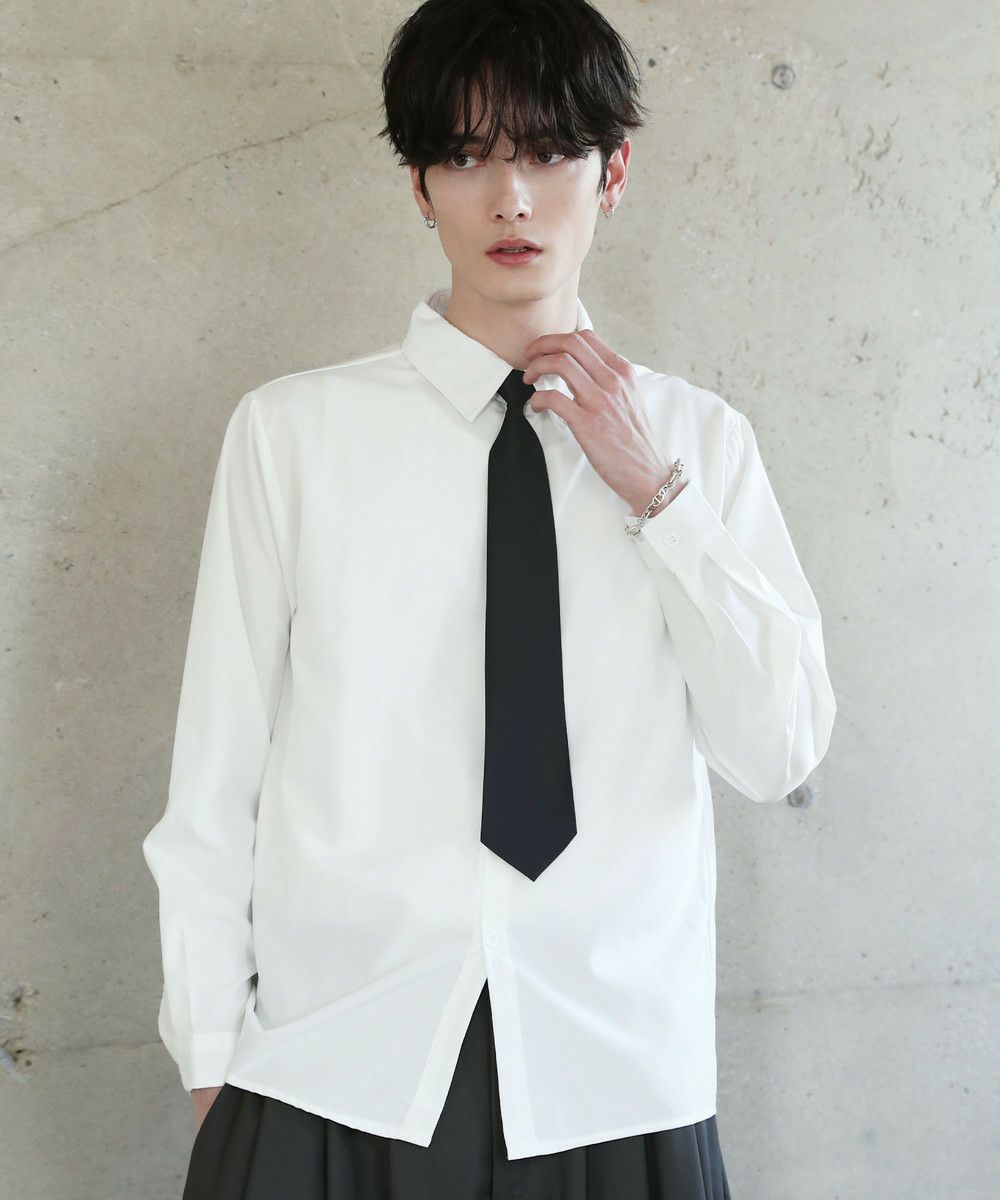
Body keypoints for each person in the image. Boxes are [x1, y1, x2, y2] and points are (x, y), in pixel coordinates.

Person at [141, 0, 837, 1196]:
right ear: (420, 186)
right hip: (334, 1070)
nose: (511, 198)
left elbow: (775, 750)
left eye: (550, 151)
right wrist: (214, 1064)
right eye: (467, 157)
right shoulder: (294, 435)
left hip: (615, 1077)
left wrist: (658, 496)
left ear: (613, 171)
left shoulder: (700, 444)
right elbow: (217, 779)